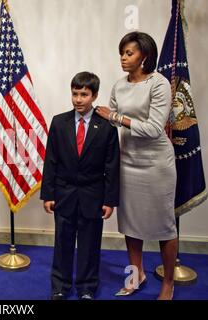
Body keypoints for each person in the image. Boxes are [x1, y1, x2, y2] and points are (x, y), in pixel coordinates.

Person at [95, 31, 178, 300]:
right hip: (127, 162)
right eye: (122, 52)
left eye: (129, 53)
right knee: (130, 225)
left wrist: (117, 117)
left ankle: (168, 283)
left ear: (144, 55)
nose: (123, 58)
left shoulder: (159, 83)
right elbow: (109, 121)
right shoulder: (119, 85)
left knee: (165, 226)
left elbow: (154, 128)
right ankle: (136, 275)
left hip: (156, 164)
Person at [41, 72, 120, 300]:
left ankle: (87, 287)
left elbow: (112, 166)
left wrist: (109, 200)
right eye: (75, 94)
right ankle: (59, 286)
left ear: (94, 95)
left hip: (93, 196)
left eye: (84, 94)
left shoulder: (106, 126)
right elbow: (51, 160)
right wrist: (48, 194)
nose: (78, 99)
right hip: (64, 194)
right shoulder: (59, 122)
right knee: (62, 242)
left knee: (89, 244)